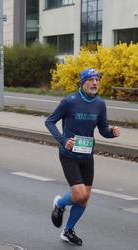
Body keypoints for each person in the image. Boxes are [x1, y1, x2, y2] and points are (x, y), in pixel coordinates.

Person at [45, 68, 120, 246]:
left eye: (97, 80)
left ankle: (68, 230)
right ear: (83, 82)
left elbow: (102, 129)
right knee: (79, 194)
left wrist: (111, 132)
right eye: (91, 80)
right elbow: (49, 121)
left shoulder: (100, 104)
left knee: (85, 198)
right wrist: (64, 141)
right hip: (69, 154)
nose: (95, 83)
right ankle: (60, 203)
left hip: (87, 156)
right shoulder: (70, 101)